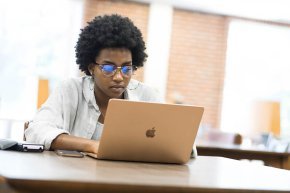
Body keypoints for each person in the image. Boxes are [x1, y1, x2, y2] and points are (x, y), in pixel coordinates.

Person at [25, 14, 162, 154]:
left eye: (127, 68)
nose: (119, 77)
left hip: (131, 175)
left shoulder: (147, 95)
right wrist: (92, 146)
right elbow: (37, 131)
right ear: (91, 68)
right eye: (109, 68)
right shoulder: (71, 90)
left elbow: (175, 141)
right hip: (72, 174)